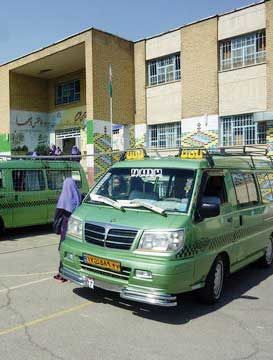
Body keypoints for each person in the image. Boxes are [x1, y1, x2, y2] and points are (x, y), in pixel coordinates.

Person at [54, 178, 81, 282]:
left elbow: (57, 214)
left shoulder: (64, 197)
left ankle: (62, 274)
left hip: (66, 227)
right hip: (76, 228)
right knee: (74, 250)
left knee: (63, 249)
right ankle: (74, 272)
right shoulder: (78, 195)